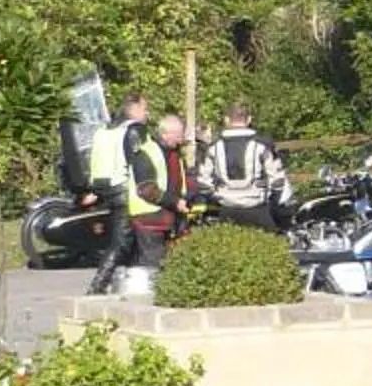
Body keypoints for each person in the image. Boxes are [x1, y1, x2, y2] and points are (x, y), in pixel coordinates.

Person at [81, 91, 147, 295]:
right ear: (134, 109)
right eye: (145, 108)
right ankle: (98, 285)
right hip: (124, 190)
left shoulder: (104, 131)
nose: (147, 113)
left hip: (104, 190)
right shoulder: (133, 130)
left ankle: (126, 283)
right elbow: (139, 161)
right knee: (121, 243)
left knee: (126, 240)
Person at [197, 103, 289, 229]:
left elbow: (203, 182)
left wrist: (215, 198)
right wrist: (273, 201)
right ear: (249, 119)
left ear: (226, 119)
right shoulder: (262, 145)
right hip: (257, 207)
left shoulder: (213, 146)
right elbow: (277, 179)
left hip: (226, 207)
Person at [123, 113, 191, 271]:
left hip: (166, 216)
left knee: (166, 265)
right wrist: (175, 202)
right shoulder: (146, 153)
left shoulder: (174, 153)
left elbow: (178, 181)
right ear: (165, 134)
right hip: (148, 218)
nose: (181, 139)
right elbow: (146, 189)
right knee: (152, 265)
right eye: (178, 135)